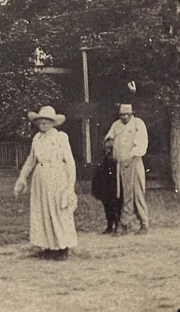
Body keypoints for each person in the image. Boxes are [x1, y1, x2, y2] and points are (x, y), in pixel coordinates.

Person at [13, 106, 78, 260]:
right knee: (42, 211)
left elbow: (69, 162)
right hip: (40, 178)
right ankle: (48, 245)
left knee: (58, 210)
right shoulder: (37, 139)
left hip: (57, 176)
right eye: (40, 123)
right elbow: (31, 161)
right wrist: (22, 178)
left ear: (52, 123)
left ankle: (62, 246)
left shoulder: (61, 137)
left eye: (46, 123)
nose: (43, 126)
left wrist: (70, 186)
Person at [105, 103, 149, 235]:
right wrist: (108, 143)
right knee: (124, 194)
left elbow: (141, 144)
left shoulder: (138, 124)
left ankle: (144, 223)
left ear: (132, 113)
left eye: (127, 114)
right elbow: (109, 137)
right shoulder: (116, 125)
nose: (124, 117)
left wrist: (130, 158)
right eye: (122, 114)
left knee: (136, 194)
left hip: (134, 162)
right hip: (120, 164)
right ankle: (125, 223)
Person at [91, 137, 123, 234]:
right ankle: (109, 225)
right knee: (107, 207)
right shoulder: (103, 161)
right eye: (107, 148)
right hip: (106, 188)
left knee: (117, 206)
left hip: (116, 187)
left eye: (110, 149)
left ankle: (118, 225)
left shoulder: (118, 162)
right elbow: (98, 175)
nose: (108, 151)